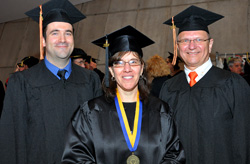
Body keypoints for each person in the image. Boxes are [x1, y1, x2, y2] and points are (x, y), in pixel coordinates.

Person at [61, 25, 185, 164]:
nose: (127, 69)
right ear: (112, 71)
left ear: (142, 68)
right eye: (119, 63)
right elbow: (76, 158)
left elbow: (174, 157)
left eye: (133, 62)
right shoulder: (90, 113)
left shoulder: (161, 111)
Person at [0, 0, 102, 164]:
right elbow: (11, 140)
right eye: (54, 33)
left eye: (68, 33)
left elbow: (99, 135)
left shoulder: (90, 80)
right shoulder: (21, 82)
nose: (63, 39)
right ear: (43, 41)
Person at [160, 5, 250, 164]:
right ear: (178, 46)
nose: (192, 46)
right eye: (185, 40)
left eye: (199, 39)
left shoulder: (233, 85)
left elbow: (244, 143)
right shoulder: (168, 88)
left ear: (210, 44)